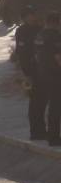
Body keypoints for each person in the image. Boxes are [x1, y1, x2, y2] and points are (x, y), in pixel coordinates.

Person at [16, 7, 45, 139]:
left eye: (34, 14)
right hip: (31, 71)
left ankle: (41, 130)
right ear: (25, 17)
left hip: (43, 71)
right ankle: (35, 132)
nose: (33, 17)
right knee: (35, 102)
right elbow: (22, 54)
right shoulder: (21, 31)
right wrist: (26, 74)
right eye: (30, 15)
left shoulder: (40, 29)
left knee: (42, 101)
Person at [34, 11, 61, 146]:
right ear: (57, 23)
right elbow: (58, 57)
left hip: (42, 74)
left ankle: (45, 133)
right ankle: (54, 137)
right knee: (56, 106)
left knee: (47, 104)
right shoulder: (55, 36)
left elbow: (37, 56)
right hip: (55, 75)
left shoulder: (40, 35)